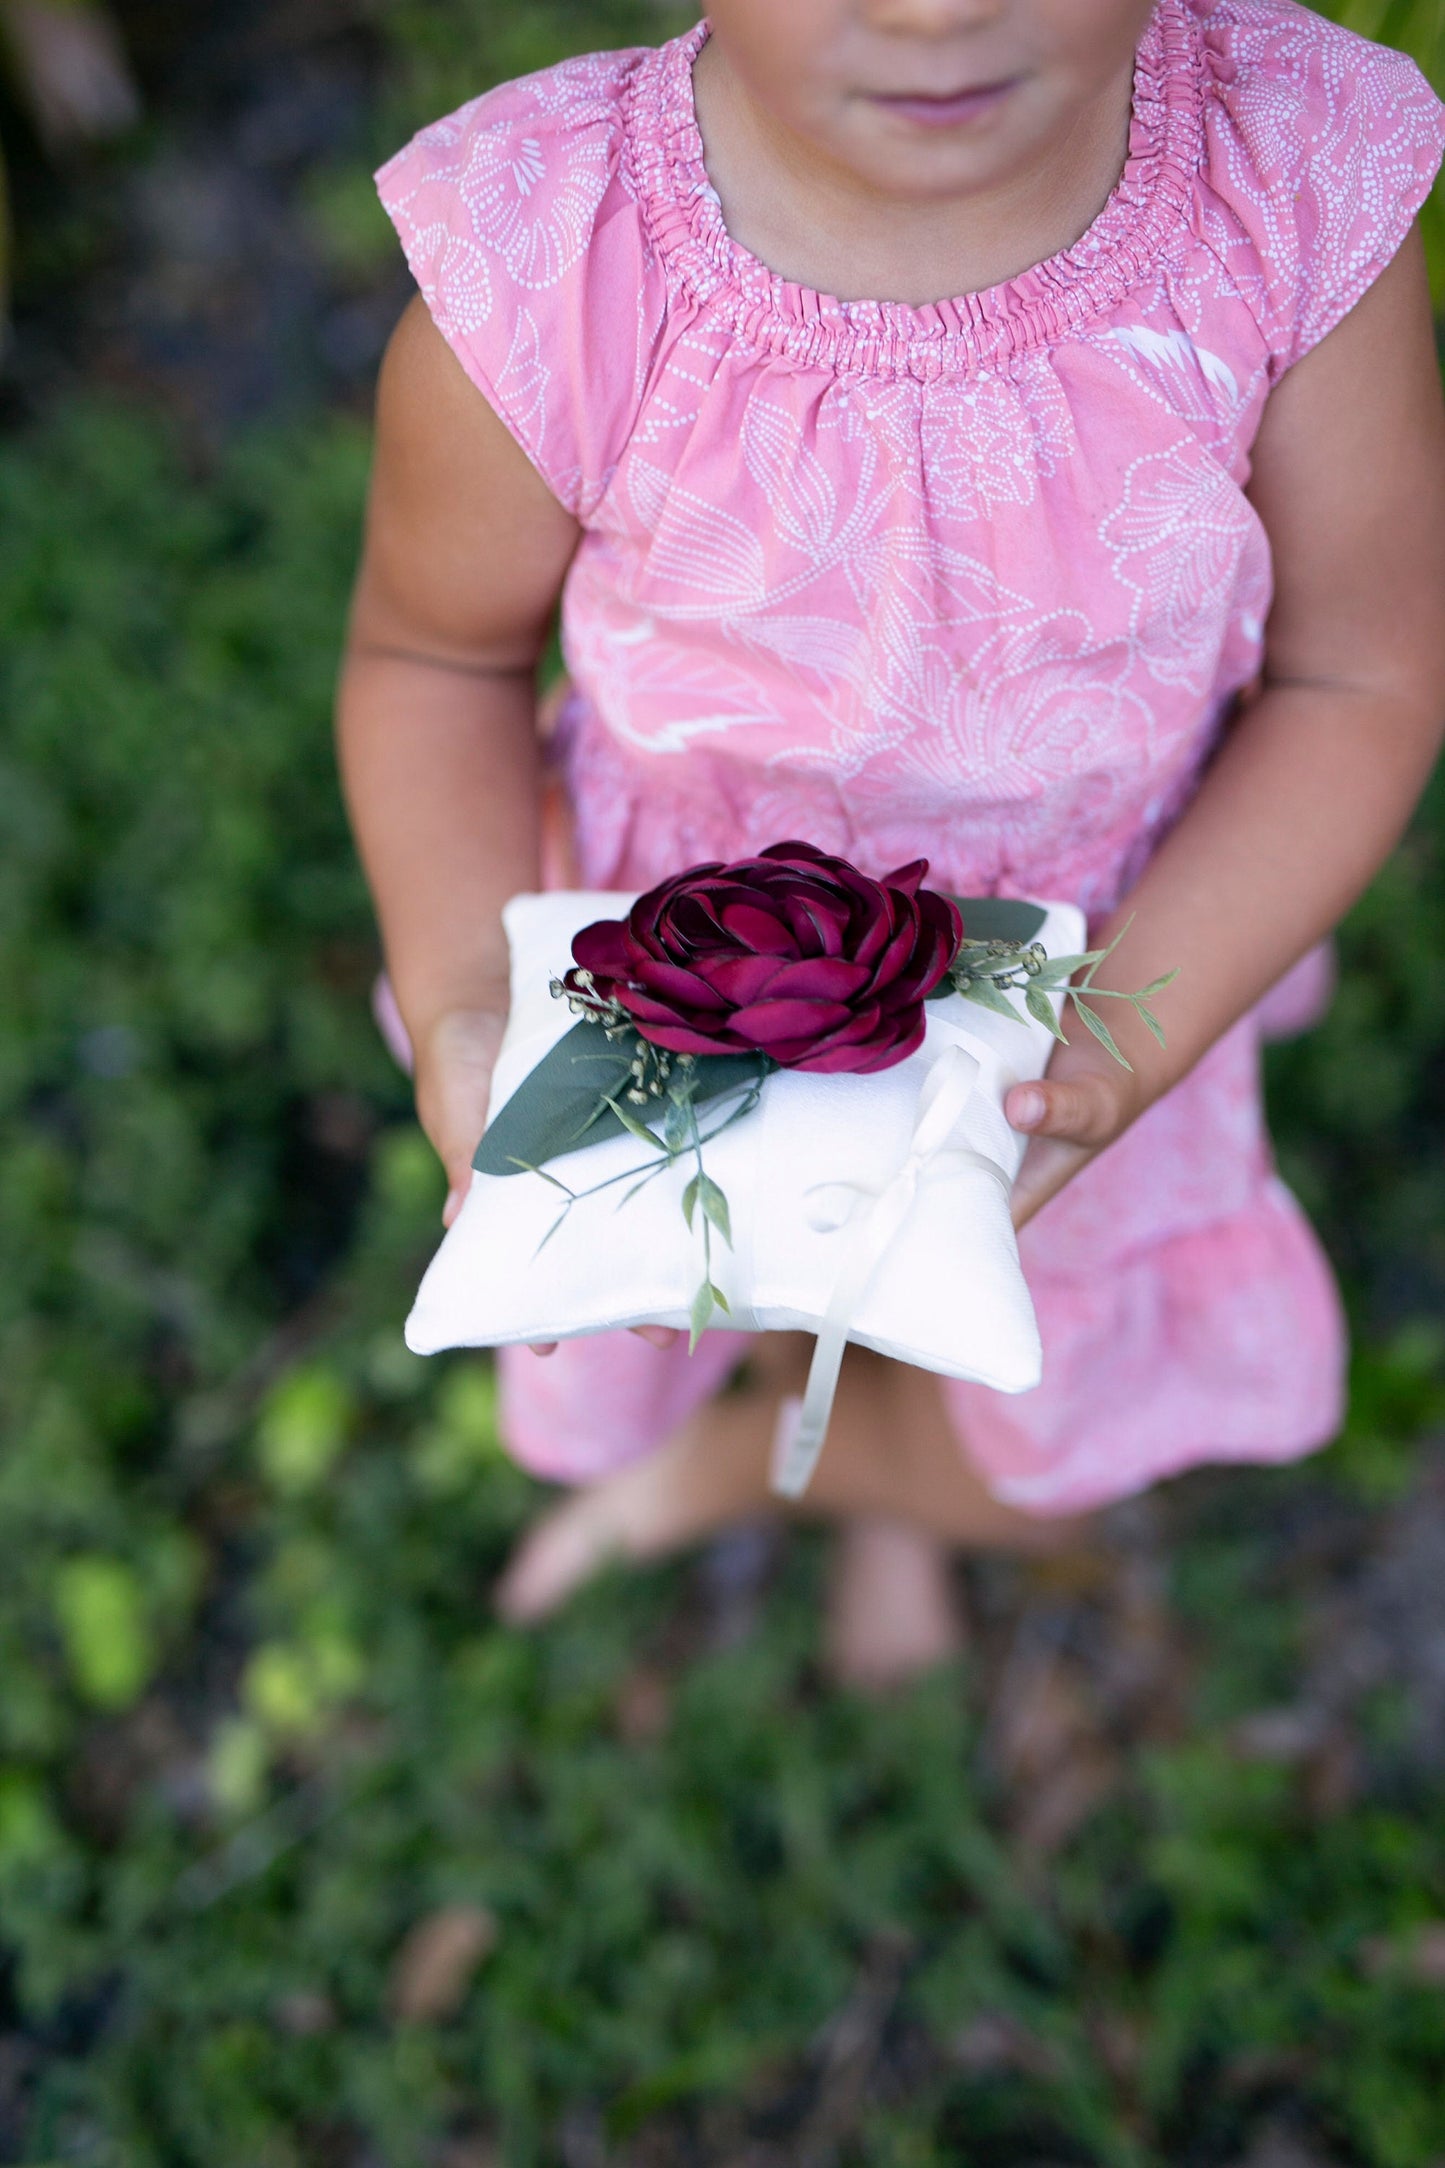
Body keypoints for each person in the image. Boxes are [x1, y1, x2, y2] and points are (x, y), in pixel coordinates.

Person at [339, 0, 1445, 1686]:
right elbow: (434, 659)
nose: (934, 5)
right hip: (682, 976)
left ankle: (849, 1486)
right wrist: (462, 999)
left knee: (1031, 1417)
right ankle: (785, 1422)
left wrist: (1124, 1040)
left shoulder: (1273, 189)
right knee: (776, 1277)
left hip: (1114, 951)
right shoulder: (557, 260)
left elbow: (1357, 677)